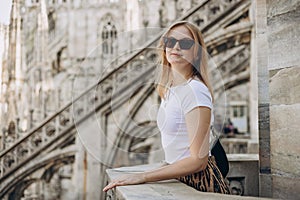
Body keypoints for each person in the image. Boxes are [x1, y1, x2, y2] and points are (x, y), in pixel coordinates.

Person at [103, 21, 231, 194]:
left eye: (185, 43)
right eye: (170, 42)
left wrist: (143, 176)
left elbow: (198, 161)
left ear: (196, 52)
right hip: (178, 176)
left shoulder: (195, 90)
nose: (175, 47)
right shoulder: (170, 89)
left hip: (198, 183)